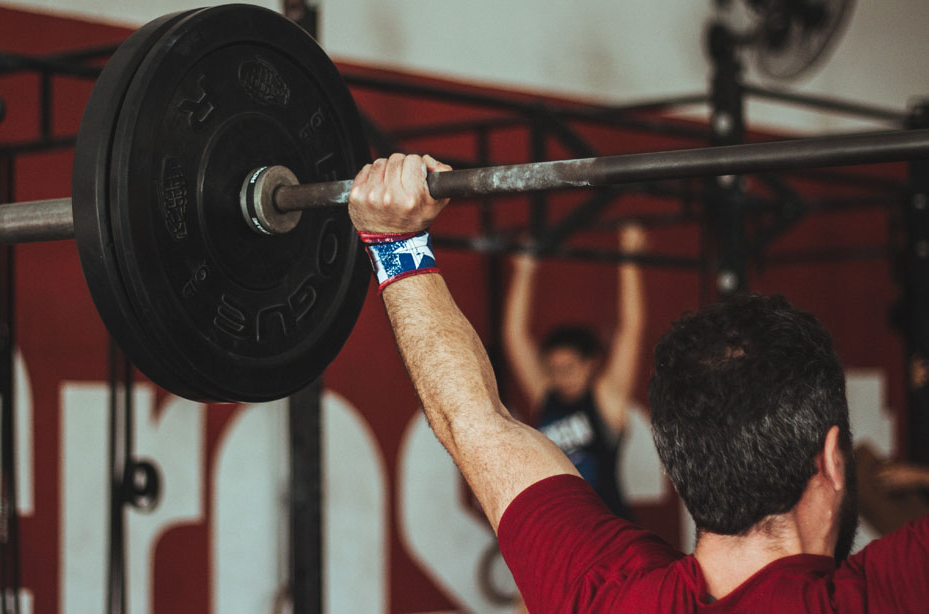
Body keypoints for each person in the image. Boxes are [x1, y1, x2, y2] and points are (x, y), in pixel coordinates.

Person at [348, 153, 928, 612]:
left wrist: (393, 241)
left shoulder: (605, 595)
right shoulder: (891, 593)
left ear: (679, 463)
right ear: (831, 457)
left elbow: (472, 421)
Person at [502, 226, 647, 520]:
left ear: (590, 364)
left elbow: (631, 330)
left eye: (568, 368)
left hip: (608, 529)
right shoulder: (546, 394)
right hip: (564, 528)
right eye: (552, 368)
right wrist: (524, 270)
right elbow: (515, 336)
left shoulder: (606, 399)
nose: (560, 376)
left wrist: (630, 259)